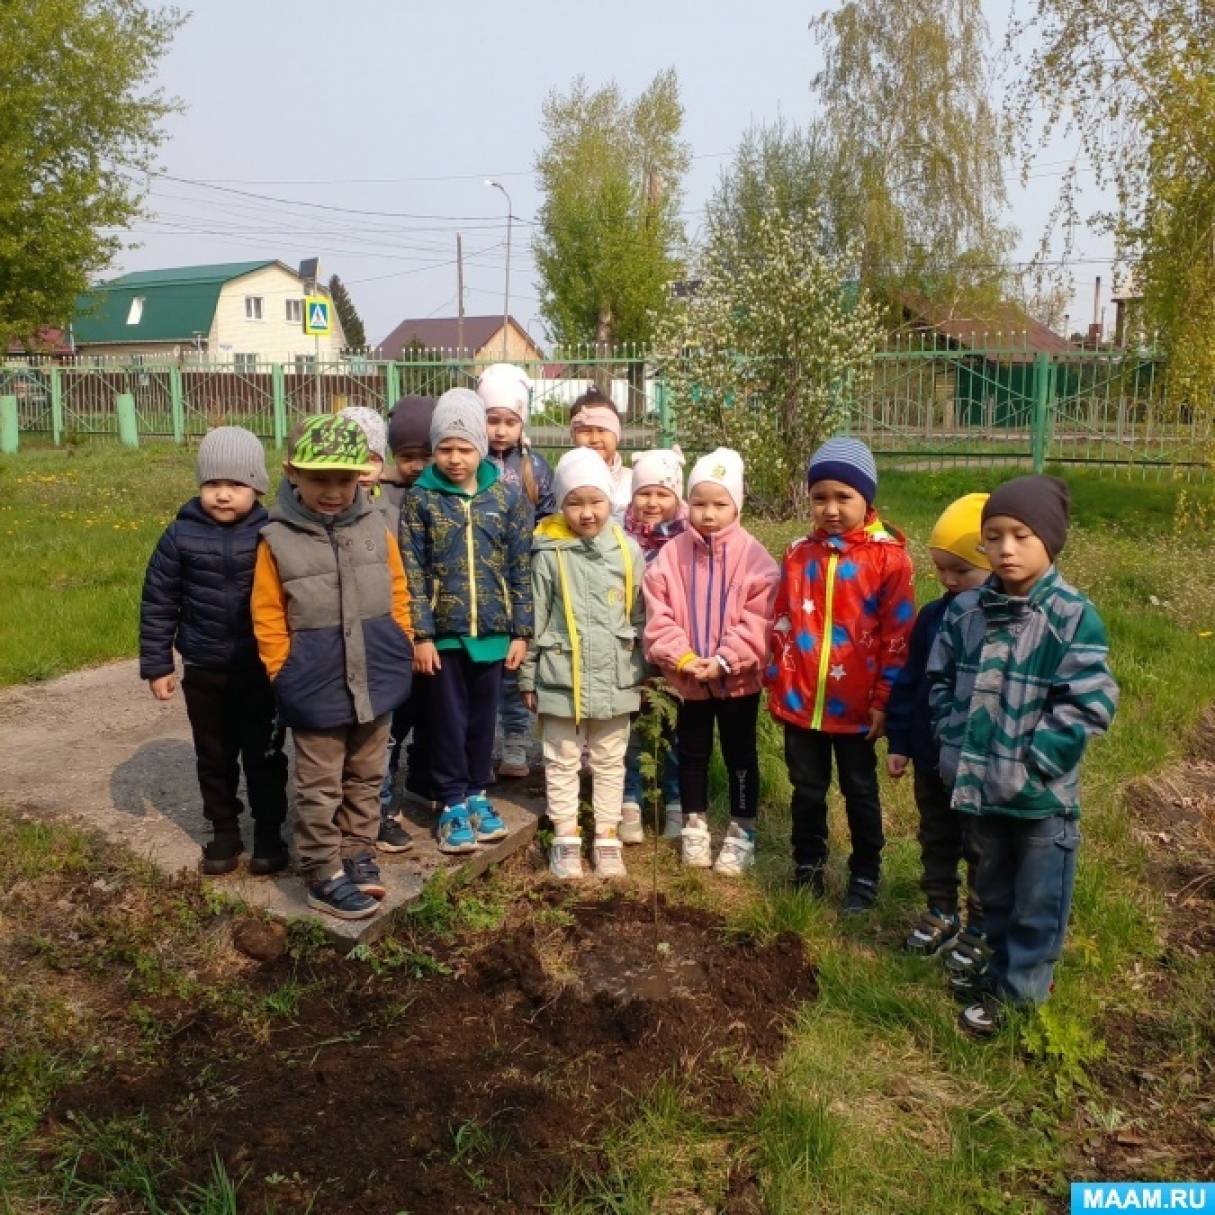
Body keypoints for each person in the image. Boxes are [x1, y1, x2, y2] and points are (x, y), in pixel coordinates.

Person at [928, 475, 1118, 1036]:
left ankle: (1021, 1000)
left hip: (1040, 798)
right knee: (995, 892)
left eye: (1021, 535)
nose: (1006, 549)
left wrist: (1038, 762)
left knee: (1039, 902)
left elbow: (1090, 700)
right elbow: (939, 679)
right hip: (980, 790)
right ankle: (999, 973)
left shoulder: (1070, 616)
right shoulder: (967, 614)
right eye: (994, 536)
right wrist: (950, 736)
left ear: (1050, 542)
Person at [252, 415, 414, 921]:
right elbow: (267, 614)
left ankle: (357, 850)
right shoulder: (276, 539)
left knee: (368, 773)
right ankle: (322, 870)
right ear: (292, 474)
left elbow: (398, 590)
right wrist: (284, 670)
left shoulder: (374, 525)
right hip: (314, 681)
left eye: (344, 480)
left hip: (377, 673)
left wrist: (402, 643)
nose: (333, 492)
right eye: (320, 479)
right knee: (320, 784)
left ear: (362, 476)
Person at [766, 437, 916, 910]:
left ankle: (865, 875)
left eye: (843, 497)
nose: (830, 509)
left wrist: (883, 700)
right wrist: (779, 678)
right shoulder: (798, 553)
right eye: (819, 497)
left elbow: (899, 635)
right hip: (803, 702)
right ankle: (807, 865)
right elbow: (782, 618)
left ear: (866, 498)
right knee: (807, 789)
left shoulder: (889, 558)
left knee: (859, 791)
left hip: (857, 707)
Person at [139, 426, 288, 876]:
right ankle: (223, 830)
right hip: (204, 668)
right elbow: (158, 601)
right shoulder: (179, 536)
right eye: (212, 484)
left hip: (260, 670)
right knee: (214, 754)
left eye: (235, 485)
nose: (223, 495)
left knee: (263, 754)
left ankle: (268, 832)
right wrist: (158, 663)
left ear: (257, 486)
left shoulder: (273, 533)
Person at [400, 388, 533, 854]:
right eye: (445, 448)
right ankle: (450, 801)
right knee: (446, 721)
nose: (455, 459)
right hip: (445, 635)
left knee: (483, 721)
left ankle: (478, 793)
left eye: (465, 448)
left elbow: (519, 564)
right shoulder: (421, 499)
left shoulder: (507, 495)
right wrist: (422, 635)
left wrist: (521, 630)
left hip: (494, 634)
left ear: (481, 447)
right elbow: (412, 571)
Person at [644, 448, 780, 874]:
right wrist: (683, 658)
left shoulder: (756, 559)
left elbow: (760, 619)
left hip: (737, 681)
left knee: (741, 754)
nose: (708, 514)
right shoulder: (670, 556)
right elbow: (658, 612)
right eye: (699, 503)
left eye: (720, 504)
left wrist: (724, 660)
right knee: (692, 752)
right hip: (688, 679)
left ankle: (742, 830)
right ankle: (694, 824)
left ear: (736, 505)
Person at [519, 448, 647, 879]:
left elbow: (640, 617)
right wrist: (527, 675)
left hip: (616, 675)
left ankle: (607, 837)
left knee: (612, 759)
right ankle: (566, 837)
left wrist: (642, 674)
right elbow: (534, 618)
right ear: (560, 503)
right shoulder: (549, 553)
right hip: (560, 675)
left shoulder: (628, 553)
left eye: (595, 501)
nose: (587, 513)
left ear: (611, 500)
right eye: (575, 502)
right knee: (560, 758)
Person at [886, 494, 991, 964]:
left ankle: (983, 925)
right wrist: (901, 741)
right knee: (937, 835)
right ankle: (941, 910)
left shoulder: (1000, 621)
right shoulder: (931, 616)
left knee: (982, 845)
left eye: (961, 570)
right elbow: (911, 682)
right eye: (941, 569)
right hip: (932, 757)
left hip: (979, 764)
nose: (949, 580)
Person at [476, 362, 555, 780]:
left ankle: (517, 745)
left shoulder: (535, 467)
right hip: (482, 580)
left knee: (516, 668)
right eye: (492, 421)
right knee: (484, 669)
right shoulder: (471, 463)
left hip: (521, 581)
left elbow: (549, 515)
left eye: (509, 421)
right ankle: (481, 748)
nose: (501, 431)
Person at [620, 446, 687, 843]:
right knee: (631, 725)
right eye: (644, 492)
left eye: (662, 494)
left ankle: (675, 802)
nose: (652, 502)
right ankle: (631, 800)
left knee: (674, 725)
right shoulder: (619, 537)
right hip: (629, 646)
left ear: (677, 498)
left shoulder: (686, 542)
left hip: (676, 646)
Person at [378, 395, 438, 822]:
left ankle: (424, 775)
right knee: (395, 715)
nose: (416, 466)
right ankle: (385, 785)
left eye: (425, 456)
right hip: (397, 624)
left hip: (436, 622)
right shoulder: (385, 501)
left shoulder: (443, 496)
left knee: (430, 710)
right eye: (406, 457)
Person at [570, 386, 631, 519]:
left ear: (617, 434)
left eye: (602, 430)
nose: (594, 439)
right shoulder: (564, 480)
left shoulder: (633, 482)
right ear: (573, 437)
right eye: (585, 431)